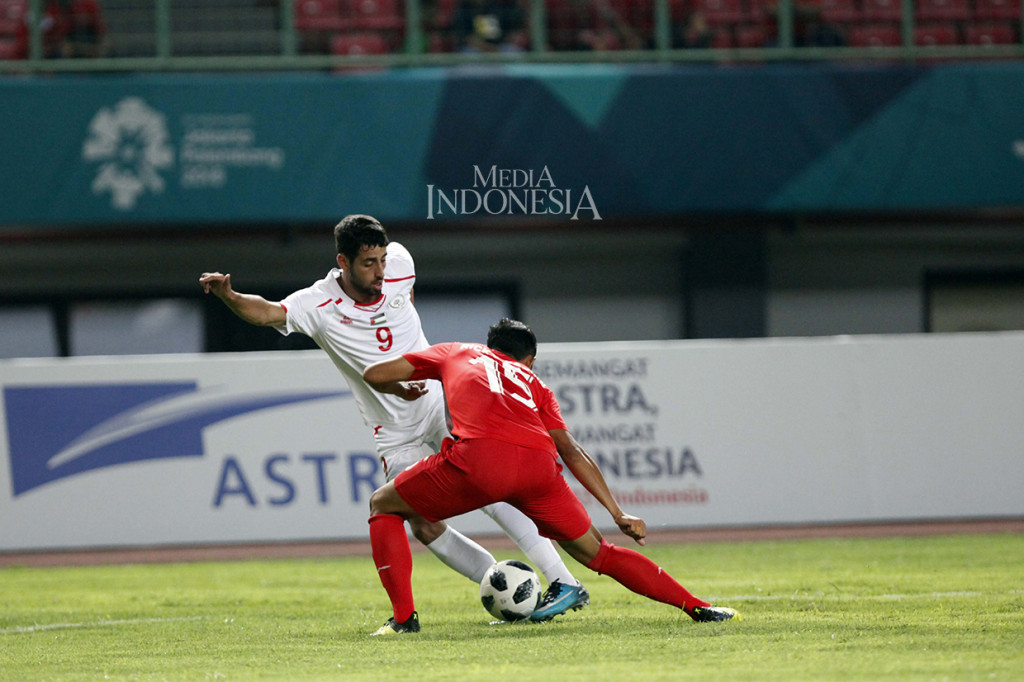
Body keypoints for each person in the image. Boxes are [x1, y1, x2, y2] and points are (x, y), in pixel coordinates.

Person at [199, 215, 589, 623]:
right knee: (420, 522)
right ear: (343, 262)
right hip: (394, 432)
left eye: (383, 259)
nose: (381, 271)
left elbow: (406, 309)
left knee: (494, 489)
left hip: (442, 407)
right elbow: (265, 313)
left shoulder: (400, 263)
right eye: (369, 263)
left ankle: (563, 580)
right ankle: (506, 587)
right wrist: (229, 295)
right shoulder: (318, 304)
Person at [362, 318, 740, 635]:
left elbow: (374, 373)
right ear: (530, 359)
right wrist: (617, 512)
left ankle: (403, 620)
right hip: (537, 468)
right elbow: (572, 450)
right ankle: (699, 607)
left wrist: (404, 389)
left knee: (383, 505)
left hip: (478, 462)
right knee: (599, 553)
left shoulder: (456, 351)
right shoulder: (535, 384)